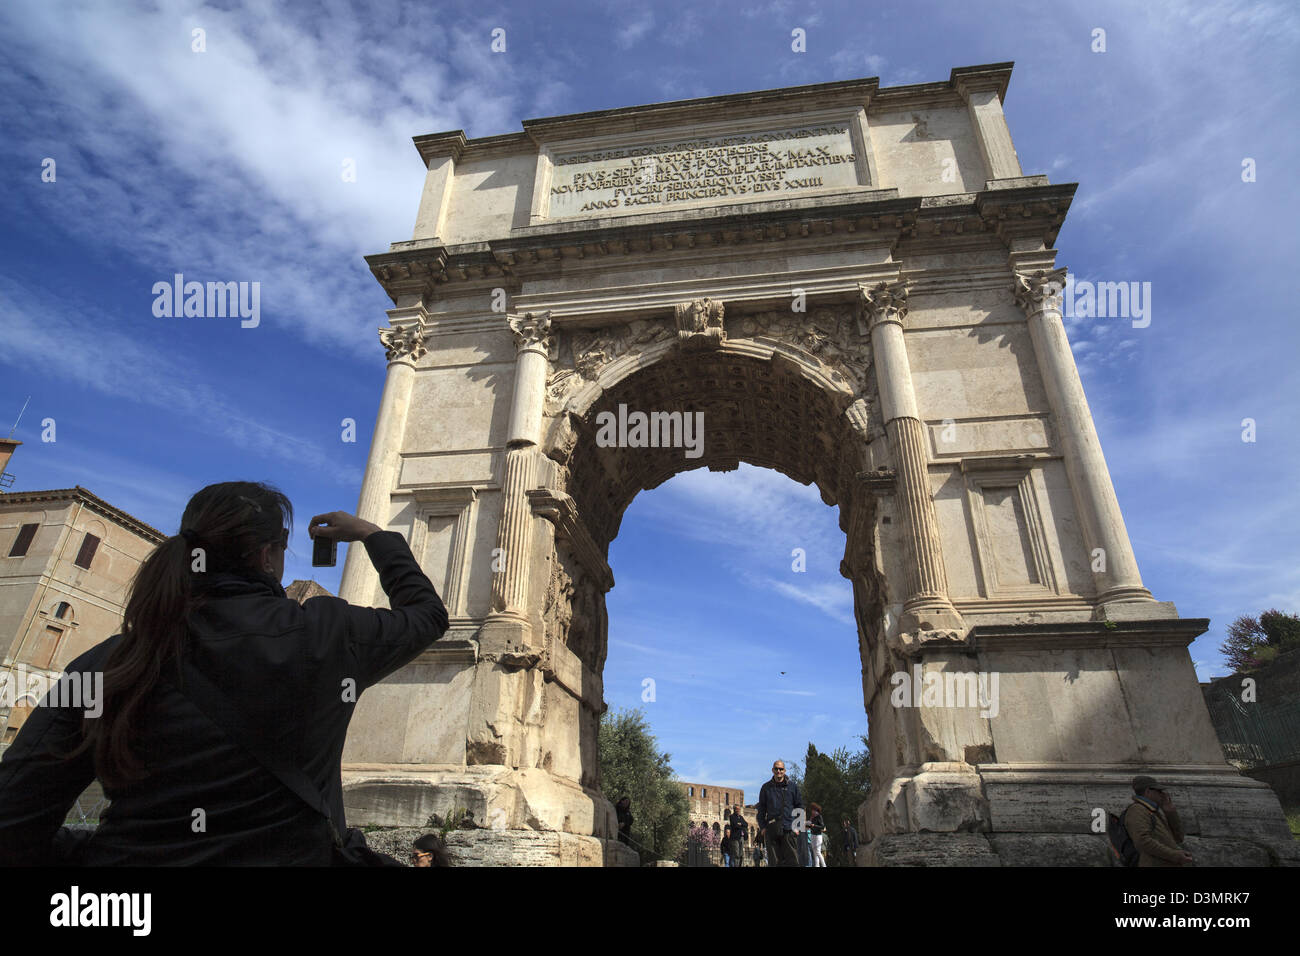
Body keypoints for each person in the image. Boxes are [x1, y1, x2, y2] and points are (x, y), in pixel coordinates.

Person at [0, 482, 449, 864]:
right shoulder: (326, 634)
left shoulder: (108, 661)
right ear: (268, 556)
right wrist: (373, 534)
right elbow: (427, 615)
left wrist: (117, 851)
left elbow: (14, 821)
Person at [1124, 774, 1192, 867]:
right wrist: (1175, 855)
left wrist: (1170, 812)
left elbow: (1178, 838)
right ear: (1148, 791)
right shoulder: (1137, 810)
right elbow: (1142, 841)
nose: (1163, 794)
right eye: (1159, 791)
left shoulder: (1152, 811)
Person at [756, 759, 803, 867]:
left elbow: (800, 806)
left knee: (793, 862)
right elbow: (761, 809)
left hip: (789, 828)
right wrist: (762, 827)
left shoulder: (792, 787)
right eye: (776, 769)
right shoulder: (766, 788)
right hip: (772, 828)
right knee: (774, 862)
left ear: (784, 770)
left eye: (781, 769)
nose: (778, 771)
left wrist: (798, 827)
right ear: (772, 770)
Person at [808, 802, 827, 867]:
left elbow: (822, 826)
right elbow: (811, 826)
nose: (811, 811)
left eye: (812, 810)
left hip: (818, 836)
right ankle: (817, 865)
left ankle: (824, 865)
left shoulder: (819, 817)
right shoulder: (813, 817)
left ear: (815, 810)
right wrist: (809, 825)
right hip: (813, 835)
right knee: (814, 852)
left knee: (818, 852)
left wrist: (814, 825)